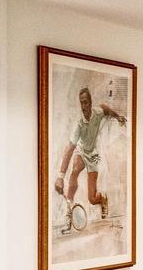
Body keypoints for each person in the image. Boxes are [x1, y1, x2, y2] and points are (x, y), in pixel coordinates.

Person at [54, 85, 126, 223]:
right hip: (81, 151)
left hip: (92, 155)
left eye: (85, 102)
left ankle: (102, 199)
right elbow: (69, 148)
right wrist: (60, 177)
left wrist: (118, 117)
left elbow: (106, 109)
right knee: (75, 169)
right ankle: (69, 206)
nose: (83, 106)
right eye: (81, 102)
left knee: (92, 200)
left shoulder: (98, 112)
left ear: (90, 103)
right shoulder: (79, 123)